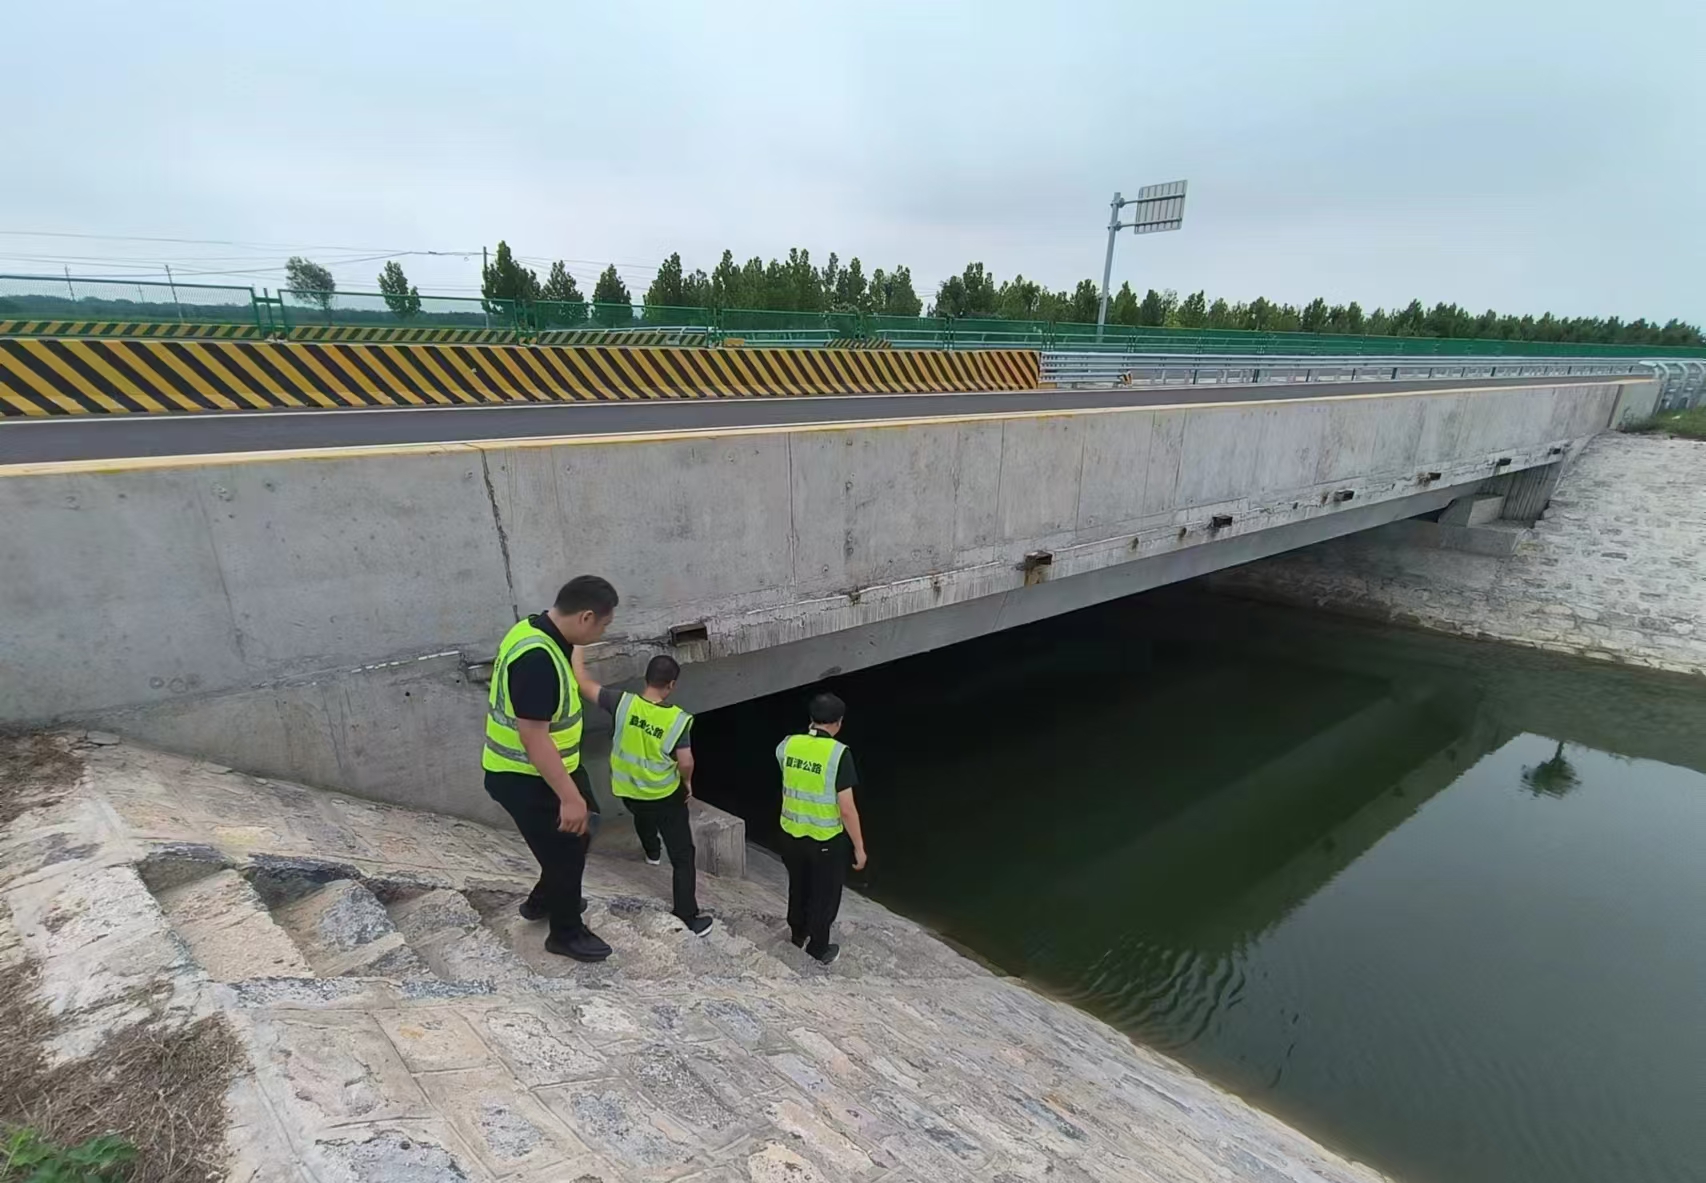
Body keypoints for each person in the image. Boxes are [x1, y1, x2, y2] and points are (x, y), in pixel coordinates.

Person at [482, 575, 618, 963]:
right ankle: (566, 933)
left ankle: (544, 898)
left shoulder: (536, 628)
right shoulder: (538, 660)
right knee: (566, 850)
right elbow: (533, 736)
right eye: (604, 624)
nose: (605, 631)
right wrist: (568, 796)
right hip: (522, 774)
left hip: (552, 767)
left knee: (584, 827)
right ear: (586, 617)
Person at [574, 651, 714, 936]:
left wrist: (577, 647)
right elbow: (686, 761)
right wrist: (687, 783)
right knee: (683, 855)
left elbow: (582, 682)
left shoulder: (621, 702)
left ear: (646, 679)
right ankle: (688, 915)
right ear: (671, 685)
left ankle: (651, 851)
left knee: (642, 817)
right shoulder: (677, 720)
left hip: (628, 791)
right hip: (664, 795)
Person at [775, 692, 867, 965]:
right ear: (838, 723)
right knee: (824, 894)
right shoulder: (839, 754)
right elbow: (847, 808)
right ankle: (819, 948)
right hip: (825, 838)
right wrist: (859, 848)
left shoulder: (787, 745)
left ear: (811, 719)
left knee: (799, 886)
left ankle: (797, 933)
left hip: (791, 832)